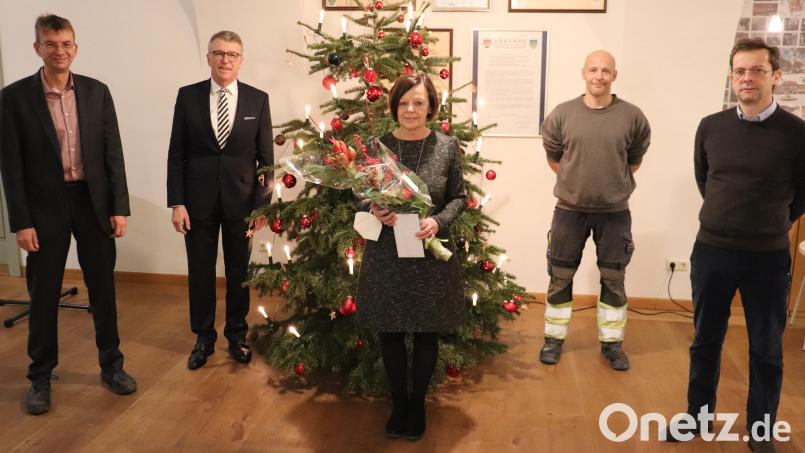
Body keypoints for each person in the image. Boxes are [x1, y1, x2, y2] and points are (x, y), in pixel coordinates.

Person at [0, 14, 136, 415]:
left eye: (66, 44)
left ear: (75, 48)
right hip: (44, 207)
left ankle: (112, 365)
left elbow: (113, 153)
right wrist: (21, 222)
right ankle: (40, 376)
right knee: (43, 294)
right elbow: (12, 167)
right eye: (51, 44)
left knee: (103, 289)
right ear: (37, 48)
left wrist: (119, 208)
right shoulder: (14, 97)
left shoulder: (97, 92)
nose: (60, 51)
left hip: (93, 203)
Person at [677, 38, 804, 453]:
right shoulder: (710, 126)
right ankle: (697, 416)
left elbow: (802, 193)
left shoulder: (796, 133)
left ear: (776, 77)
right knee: (705, 341)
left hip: (767, 258)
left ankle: (761, 430)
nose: (747, 78)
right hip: (711, 251)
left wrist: (775, 221)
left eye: (757, 71)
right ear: (732, 77)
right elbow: (705, 179)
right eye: (740, 71)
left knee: (766, 349)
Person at [356, 74, 467, 441]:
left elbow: (457, 198)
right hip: (386, 252)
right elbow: (358, 194)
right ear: (394, 106)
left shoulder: (448, 147)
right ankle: (397, 403)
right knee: (389, 330)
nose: (410, 109)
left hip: (428, 254)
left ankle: (417, 404)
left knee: (424, 331)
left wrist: (437, 222)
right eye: (404, 102)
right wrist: (373, 207)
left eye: (418, 102)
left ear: (431, 107)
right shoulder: (377, 146)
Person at [166, 30, 273, 370]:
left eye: (232, 54)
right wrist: (177, 202)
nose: (225, 59)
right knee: (200, 273)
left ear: (241, 60)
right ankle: (203, 338)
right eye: (219, 53)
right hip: (196, 204)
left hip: (242, 204)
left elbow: (266, 161)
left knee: (239, 272)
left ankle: (237, 335)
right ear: (208, 57)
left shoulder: (258, 99)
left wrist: (262, 206)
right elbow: (176, 154)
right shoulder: (188, 97)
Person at [538, 50, 651, 371]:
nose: (599, 76)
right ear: (583, 73)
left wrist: (610, 185)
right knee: (560, 277)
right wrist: (577, 184)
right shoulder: (562, 114)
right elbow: (554, 157)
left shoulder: (632, 116)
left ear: (614, 75)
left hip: (615, 213)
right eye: (593, 70)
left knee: (613, 279)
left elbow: (634, 160)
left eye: (605, 70)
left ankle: (612, 346)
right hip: (568, 212)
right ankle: (553, 341)